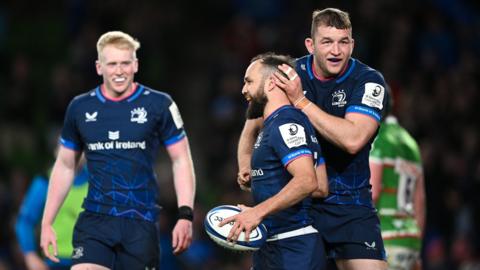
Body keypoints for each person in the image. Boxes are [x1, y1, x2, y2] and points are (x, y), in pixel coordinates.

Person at [238, 8, 389, 270]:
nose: (336, 51)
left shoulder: (368, 81)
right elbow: (252, 124)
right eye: (327, 42)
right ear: (310, 45)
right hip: (300, 207)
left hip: (349, 207)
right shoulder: (290, 74)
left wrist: (301, 102)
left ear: (352, 45)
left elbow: (354, 139)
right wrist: (245, 163)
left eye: (343, 42)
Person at [40, 31, 196, 270]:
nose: (119, 70)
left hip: (140, 222)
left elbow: (181, 160)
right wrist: (47, 222)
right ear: (98, 67)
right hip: (95, 220)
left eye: (125, 63)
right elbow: (65, 165)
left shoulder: (159, 104)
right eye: (112, 64)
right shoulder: (80, 107)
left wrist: (185, 215)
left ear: (135, 64)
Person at [221, 52, 329, 270]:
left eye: (249, 81)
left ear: (271, 83)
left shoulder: (285, 124)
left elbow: (309, 181)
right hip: (274, 244)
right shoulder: (276, 124)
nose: (244, 90)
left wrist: (257, 212)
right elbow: (321, 186)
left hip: (293, 247)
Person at [369, 92, 426, 270]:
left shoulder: (378, 139)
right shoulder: (411, 143)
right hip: (410, 239)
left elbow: (373, 191)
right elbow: (420, 200)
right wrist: (417, 244)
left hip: (386, 237)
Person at [15, 165, 88, 270]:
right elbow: (25, 221)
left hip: (89, 260)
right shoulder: (45, 181)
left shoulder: (97, 180)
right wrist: (30, 254)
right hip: (54, 262)